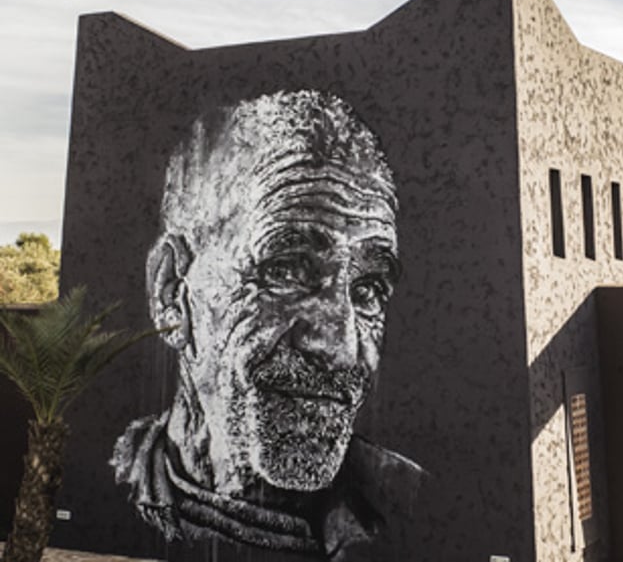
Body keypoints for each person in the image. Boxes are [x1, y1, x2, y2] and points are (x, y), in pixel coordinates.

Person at [111, 90, 424, 561]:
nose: (342, 347)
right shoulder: (117, 473)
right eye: (286, 269)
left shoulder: (406, 501)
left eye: (368, 290)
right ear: (173, 294)